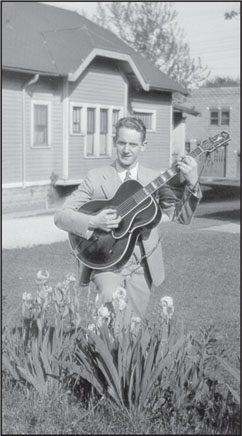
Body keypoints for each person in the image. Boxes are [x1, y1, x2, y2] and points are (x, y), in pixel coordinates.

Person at [54, 117, 202, 321]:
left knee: (133, 327)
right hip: (105, 260)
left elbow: (179, 216)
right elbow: (61, 216)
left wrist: (192, 184)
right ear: (114, 141)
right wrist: (94, 222)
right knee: (109, 313)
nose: (126, 149)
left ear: (143, 145)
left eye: (133, 144)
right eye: (122, 143)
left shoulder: (155, 179)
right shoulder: (96, 177)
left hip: (141, 265)